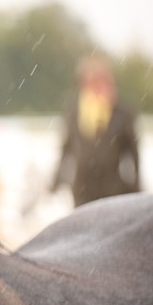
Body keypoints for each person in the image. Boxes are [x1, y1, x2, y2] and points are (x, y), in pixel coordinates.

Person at [51, 56, 140, 206]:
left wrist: (137, 187)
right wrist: (56, 182)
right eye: (92, 82)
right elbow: (66, 148)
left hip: (113, 190)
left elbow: (133, 152)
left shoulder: (122, 111)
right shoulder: (74, 110)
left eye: (102, 80)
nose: (98, 87)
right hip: (82, 190)